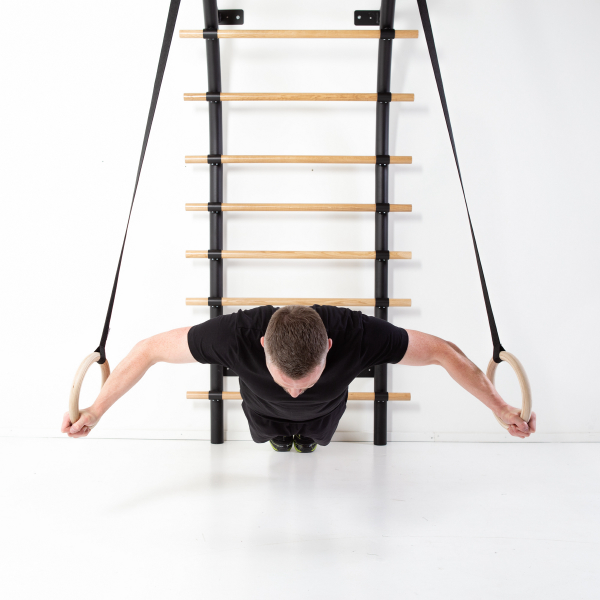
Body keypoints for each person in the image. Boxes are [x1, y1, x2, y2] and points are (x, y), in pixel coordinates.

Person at [61, 305, 536, 450]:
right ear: (262, 345)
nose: (293, 388)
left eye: (304, 381)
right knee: (271, 433)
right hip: (259, 410)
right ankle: (279, 437)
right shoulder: (234, 335)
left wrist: (500, 408)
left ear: (328, 346)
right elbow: (147, 351)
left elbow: (444, 353)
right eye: (286, 379)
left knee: (314, 437)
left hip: (327, 411)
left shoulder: (357, 334)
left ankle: (306, 437)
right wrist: (95, 412)